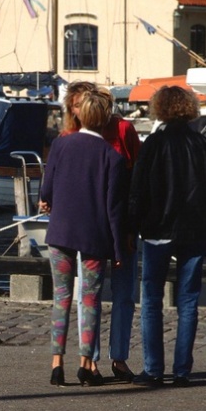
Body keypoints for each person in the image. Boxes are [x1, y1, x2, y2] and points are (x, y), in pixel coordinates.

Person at [128, 85, 206, 388]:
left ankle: (153, 369)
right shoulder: (203, 144)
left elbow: (138, 189)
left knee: (152, 298)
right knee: (188, 301)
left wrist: (134, 225)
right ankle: (182, 370)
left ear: (160, 108)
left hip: (158, 228)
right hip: (195, 229)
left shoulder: (155, 143)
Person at [40, 90, 128, 387]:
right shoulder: (112, 157)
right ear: (105, 119)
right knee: (90, 300)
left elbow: (46, 190)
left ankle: (56, 364)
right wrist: (118, 248)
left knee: (61, 298)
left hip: (61, 232)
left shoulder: (61, 144)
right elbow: (113, 209)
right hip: (94, 236)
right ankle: (85, 363)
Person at [61, 81, 141, 383]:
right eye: (77, 105)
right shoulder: (70, 137)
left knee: (123, 295)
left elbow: (136, 182)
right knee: (88, 295)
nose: (81, 110)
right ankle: (88, 359)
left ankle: (118, 358)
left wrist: (132, 228)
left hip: (123, 226)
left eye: (85, 103)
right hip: (90, 229)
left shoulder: (123, 130)